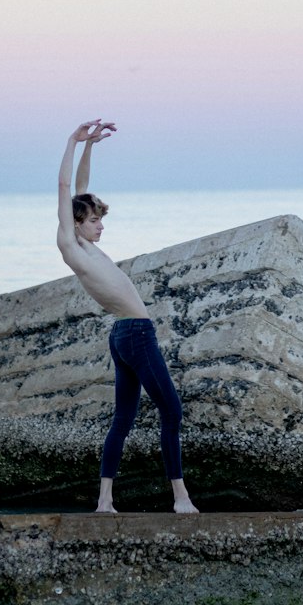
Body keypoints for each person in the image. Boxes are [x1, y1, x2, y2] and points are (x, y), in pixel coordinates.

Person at [56, 119, 198, 515]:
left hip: (123, 334)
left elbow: (78, 192)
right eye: (95, 220)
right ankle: (181, 499)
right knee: (171, 412)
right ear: (77, 224)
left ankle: (105, 502)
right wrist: (72, 140)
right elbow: (66, 191)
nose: (101, 225)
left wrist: (90, 148)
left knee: (123, 419)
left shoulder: (86, 243)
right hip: (135, 333)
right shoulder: (72, 246)